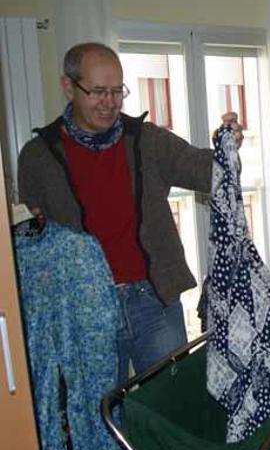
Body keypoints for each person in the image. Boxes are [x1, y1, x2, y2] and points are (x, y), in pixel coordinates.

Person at [17, 42, 243, 385]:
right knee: (103, 410)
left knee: (170, 400)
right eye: (98, 92)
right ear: (68, 86)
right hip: (84, 311)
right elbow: (31, 243)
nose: (110, 103)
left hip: (153, 300)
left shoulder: (146, 140)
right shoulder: (38, 156)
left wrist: (227, 148)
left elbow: (205, 172)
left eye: (117, 91)